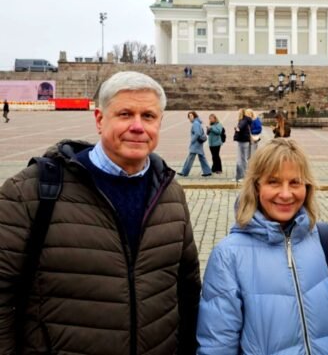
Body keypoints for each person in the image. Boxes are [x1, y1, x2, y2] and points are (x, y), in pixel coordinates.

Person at [0, 71, 200, 354]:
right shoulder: (29, 192)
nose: (137, 126)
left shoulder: (171, 193)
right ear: (99, 119)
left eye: (148, 116)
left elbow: (188, 290)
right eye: (125, 114)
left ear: (159, 123)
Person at [197, 138, 328, 354]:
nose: (285, 194)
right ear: (256, 187)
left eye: (295, 182)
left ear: (307, 186)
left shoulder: (326, 239)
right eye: (273, 182)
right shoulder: (228, 255)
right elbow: (218, 344)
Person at [177, 110, 212, 177]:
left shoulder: (195, 123)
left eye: (191, 116)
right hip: (198, 143)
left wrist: (192, 141)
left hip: (196, 144)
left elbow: (197, 133)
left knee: (190, 158)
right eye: (189, 116)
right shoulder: (197, 122)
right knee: (202, 157)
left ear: (194, 116)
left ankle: (184, 172)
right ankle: (207, 171)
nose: (190, 118)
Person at [233, 108, 252, 182]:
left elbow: (240, 128)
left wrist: (237, 128)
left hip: (242, 141)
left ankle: (243, 177)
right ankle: (239, 177)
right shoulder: (245, 120)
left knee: (241, 160)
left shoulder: (243, 120)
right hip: (244, 141)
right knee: (242, 160)